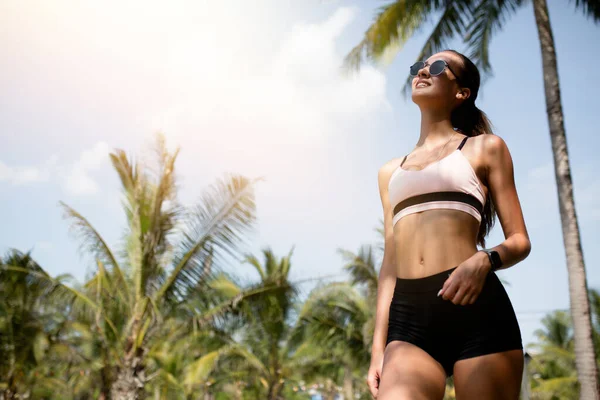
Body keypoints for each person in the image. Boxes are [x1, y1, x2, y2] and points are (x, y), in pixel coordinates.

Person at [366, 49, 531, 400]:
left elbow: (519, 240)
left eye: (438, 67)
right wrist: (378, 348)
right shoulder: (388, 173)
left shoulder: (485, 148)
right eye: (419, 66)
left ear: (462, 92)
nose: (423, 70)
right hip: (408, 320)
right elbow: (390, 265)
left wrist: (484, 260)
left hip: (478, 311)